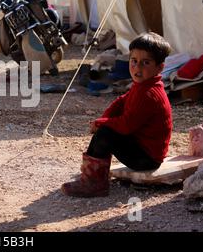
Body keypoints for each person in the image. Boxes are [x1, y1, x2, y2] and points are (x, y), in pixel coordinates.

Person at [61, 32, 172, 197]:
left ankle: (94, 183)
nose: (137, 68)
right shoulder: (143, 85)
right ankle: (92, 175)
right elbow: (122, 100)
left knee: (106, 134)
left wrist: (102, 124)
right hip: (143, 149)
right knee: (106, 129)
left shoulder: (149, 93)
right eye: (134, 61)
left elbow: (127, 125)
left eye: (145, 62)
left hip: (146, 159)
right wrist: (105, 118)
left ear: (159, 67)